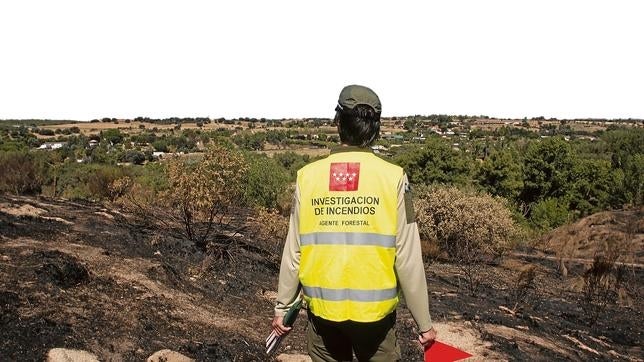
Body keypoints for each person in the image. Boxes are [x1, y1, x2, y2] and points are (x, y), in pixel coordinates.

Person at [271, 84, 436, 361]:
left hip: (322, 316)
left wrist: (282, 306)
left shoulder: (307, 177)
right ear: (375, 129)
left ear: (338, 122)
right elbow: (408, 258)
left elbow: (294, 252)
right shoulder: (394, 177)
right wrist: (424, 323)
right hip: (376, 320)